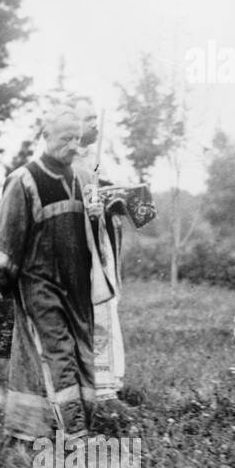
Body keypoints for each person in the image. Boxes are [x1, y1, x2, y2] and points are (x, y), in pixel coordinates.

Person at [0, 108, 96, 441]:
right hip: (39, 284)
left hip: (78, 287)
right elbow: (5, 234)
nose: (73, 145)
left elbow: (94, 235)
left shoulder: (84, 178)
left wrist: (107, 214)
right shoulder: (24, 179)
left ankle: (34, 426)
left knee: (81, 353)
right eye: (65, 138)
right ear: (46, 137)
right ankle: (75, 434)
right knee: (56, 351)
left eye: (77, 138)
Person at [69, 95, 156, 402]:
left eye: (95, 118)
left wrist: (116, 198)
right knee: (87, 312)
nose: (94, 124)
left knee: (106, 309)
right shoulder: (67, 162)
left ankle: (108, 382)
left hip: (101, 244)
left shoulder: (97, 157)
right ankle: (88, 385)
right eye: (88, 118)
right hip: (78, 249)